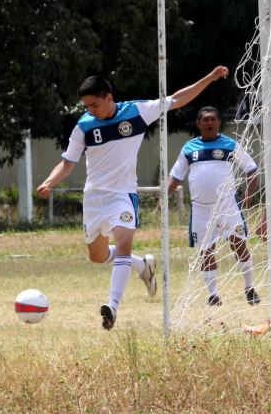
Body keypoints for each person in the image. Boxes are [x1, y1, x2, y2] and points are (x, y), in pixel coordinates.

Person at [37, 67, 228, 329]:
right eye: (86, 106)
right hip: (94, 197)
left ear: (109, 98)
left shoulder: (137, 112)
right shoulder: (83, 125)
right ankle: (142, 265)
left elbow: (177, 99)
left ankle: (112, 308)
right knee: (97, 256)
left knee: (124, 242)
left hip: (122, 195)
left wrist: (208, 78)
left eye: (94, 104)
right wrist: (48, 182)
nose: (90, 110)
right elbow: (67, 163)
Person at [166, 106, 260, 307]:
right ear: (198, 124)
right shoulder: (188, 148)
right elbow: (175, 177)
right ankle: (213, 295)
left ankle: (249, 287)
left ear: (219, 123)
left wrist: (249, 192)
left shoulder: (230, 145)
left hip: (227, 205)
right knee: (206, 250)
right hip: (200, 208)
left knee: (239, 244)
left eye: (213, 119)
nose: (209, 122)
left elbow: (251, 169)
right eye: (205, 119)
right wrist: (163, 197)